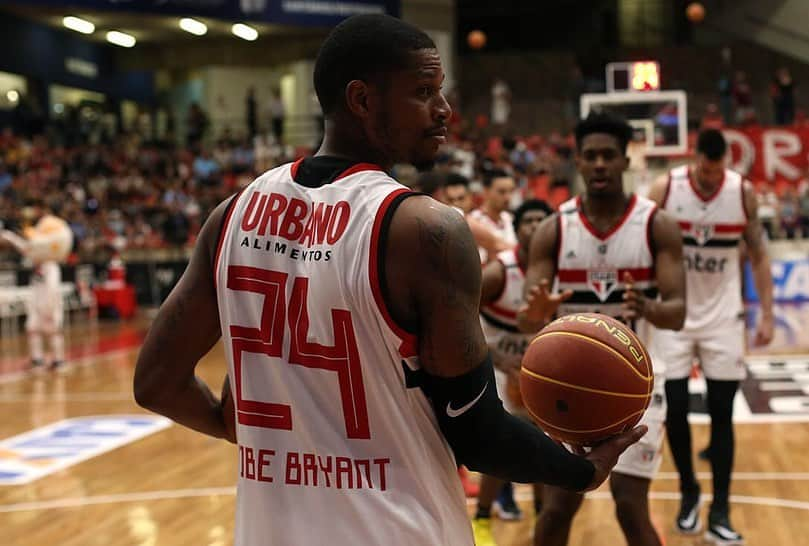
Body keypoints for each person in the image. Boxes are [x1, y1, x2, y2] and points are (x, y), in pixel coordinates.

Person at [133, 15, 645, 546]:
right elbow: (477, 432)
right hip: (401, 529)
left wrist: (238, 426)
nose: (443, 109)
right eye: (423, 91)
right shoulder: (423, 230)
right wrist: (579, 470)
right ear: (361, 99)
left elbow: (156, 383)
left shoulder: (232, 215)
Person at [518, 112, 686, 546]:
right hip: (569, 389)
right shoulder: (555, 228)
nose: (599, 165)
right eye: (590, 156)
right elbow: (526, 320)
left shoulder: (657, 224)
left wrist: (647, 305)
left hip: (636, 389)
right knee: (558, 506)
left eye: (608, 155)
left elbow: (678, 312)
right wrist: (535, 312)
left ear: (625, 159)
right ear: (577, 160)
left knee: (630, 506)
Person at [648, 128, 774, 544]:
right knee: (677, 410)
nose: (709, 179)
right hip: (676, 314)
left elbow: (758, 254)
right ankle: (688, 492)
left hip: (723, 316)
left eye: (716, 172)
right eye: (704, 171)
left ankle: (720, 508)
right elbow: (640, 237)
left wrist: (767, 315)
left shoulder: (742, 193)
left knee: (723, 415)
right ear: (694, 158)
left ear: (725, 164)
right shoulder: (667, 187)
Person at [473, 199, 553, 545]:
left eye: (541, 220)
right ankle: (481, 521)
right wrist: (497, 360)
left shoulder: (559, 269)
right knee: (500, 449)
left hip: (538, 370)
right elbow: (453, 314)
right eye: (528, 221)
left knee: (543, 447)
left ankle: (541, 517)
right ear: (516, 229)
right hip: (497, 367)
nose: (535, 226)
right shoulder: (499, 273)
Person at [1, 203, 73, 371]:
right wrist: (10, 237)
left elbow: (51, 290)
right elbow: (28, 248)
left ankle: (58, 359)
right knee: (32, 325)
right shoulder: (38, 261)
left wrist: (48, 307)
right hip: (37, 287)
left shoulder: (51, 266)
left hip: (48, 291)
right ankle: (37, 359)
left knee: (51, 324)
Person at [469, 169, 518, 263]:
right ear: (486, 191)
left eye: (511, 191)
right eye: (502, 192)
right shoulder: (473, 221)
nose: (508, 197)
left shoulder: (510, 219)